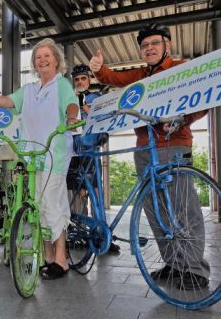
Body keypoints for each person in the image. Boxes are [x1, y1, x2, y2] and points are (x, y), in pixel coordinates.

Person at [89, 23, 209, 290]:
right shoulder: (141, 74)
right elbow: (115, 79)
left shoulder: (181, 68)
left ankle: (194, 269)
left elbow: (203, 100)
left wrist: (183, 118)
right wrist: (99, 69)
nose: (149, 49)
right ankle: (174, 264)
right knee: (154, 210)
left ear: (168, 45)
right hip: (144, 147)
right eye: (144, 46)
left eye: (155, 43)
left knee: (182, 207)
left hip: (173, 144)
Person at [0, 38, 80, 280]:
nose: (42, 60)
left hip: (55, 152)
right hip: (32, 154)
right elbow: (10, 101)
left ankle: (62, 259)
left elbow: (72, 104)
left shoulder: (61, 84)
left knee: (51, 205)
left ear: (56, 60)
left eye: (47, 56)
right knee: (37, 206)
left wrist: (71, 117)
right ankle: (48, 256)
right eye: (38, 57)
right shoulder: (30, 90)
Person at [66, 64, 119, 253]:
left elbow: (103, 118)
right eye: (77, 80)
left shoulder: (96, 99)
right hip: (72, 152)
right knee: (74, 195)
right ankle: (78, 233)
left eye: (83, 79)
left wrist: (84, 106)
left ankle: (102, 235)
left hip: (91, 151)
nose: (80, 82)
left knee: (96, 193)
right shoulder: (68, 100)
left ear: (89, 80)